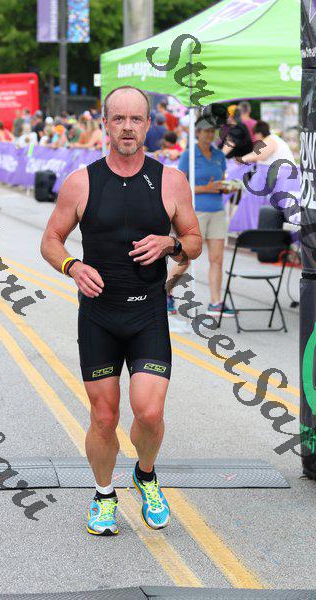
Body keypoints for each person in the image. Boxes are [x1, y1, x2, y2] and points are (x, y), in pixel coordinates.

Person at [40, 85, 201, 537]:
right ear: (105, 124)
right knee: (104, 417)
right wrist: (73, 266)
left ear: (148, 125)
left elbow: (193, 241)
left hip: (147, 314)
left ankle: (145, 475)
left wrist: (171, 243)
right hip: (99, 316)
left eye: (135, 119)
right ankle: (104, 494)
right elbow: (51, 240)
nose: (127, 128)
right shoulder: (82, 182)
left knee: (148, 413)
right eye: (118, 119)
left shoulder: (170, 180)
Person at [168, 117, 236, 317]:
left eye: (212, 131)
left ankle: (215, 302)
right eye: (206, 131)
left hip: (217, 210)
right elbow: (178, 187)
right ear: (197, 133)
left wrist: (225, 187)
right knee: (185, 258)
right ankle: (165, 293)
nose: (209, 134)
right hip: (194, 211)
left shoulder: (219, 155)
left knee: (217, 259)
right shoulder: (188, 155)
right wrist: (204, 188)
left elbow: (220, 180)